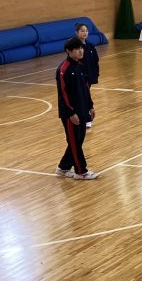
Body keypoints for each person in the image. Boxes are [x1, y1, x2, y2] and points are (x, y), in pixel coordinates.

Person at [56, 37, 97, 181]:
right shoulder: (63, 69)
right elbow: (63, 93)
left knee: (78, 140)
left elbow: (86, 88)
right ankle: (81, 172)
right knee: (74, 142)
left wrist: (90, 106)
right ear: (69, 51)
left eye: (81, 48)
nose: (81, 51)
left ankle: (63, 167)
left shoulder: (80, 66)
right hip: (70, 113)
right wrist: (71, 112)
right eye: (77, 49)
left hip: (83, 110)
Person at [76, 22, 99, 127]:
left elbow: (95, 60)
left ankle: (85, 117)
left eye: (86, 31)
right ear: (77, 32)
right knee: (83, 96)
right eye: (82, 31)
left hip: (88, 76)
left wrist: (95, 73)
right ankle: (85, 118)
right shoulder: (75, 47)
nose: (84, 33)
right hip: (79, 77)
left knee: (85, 96)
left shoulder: (90, 46)